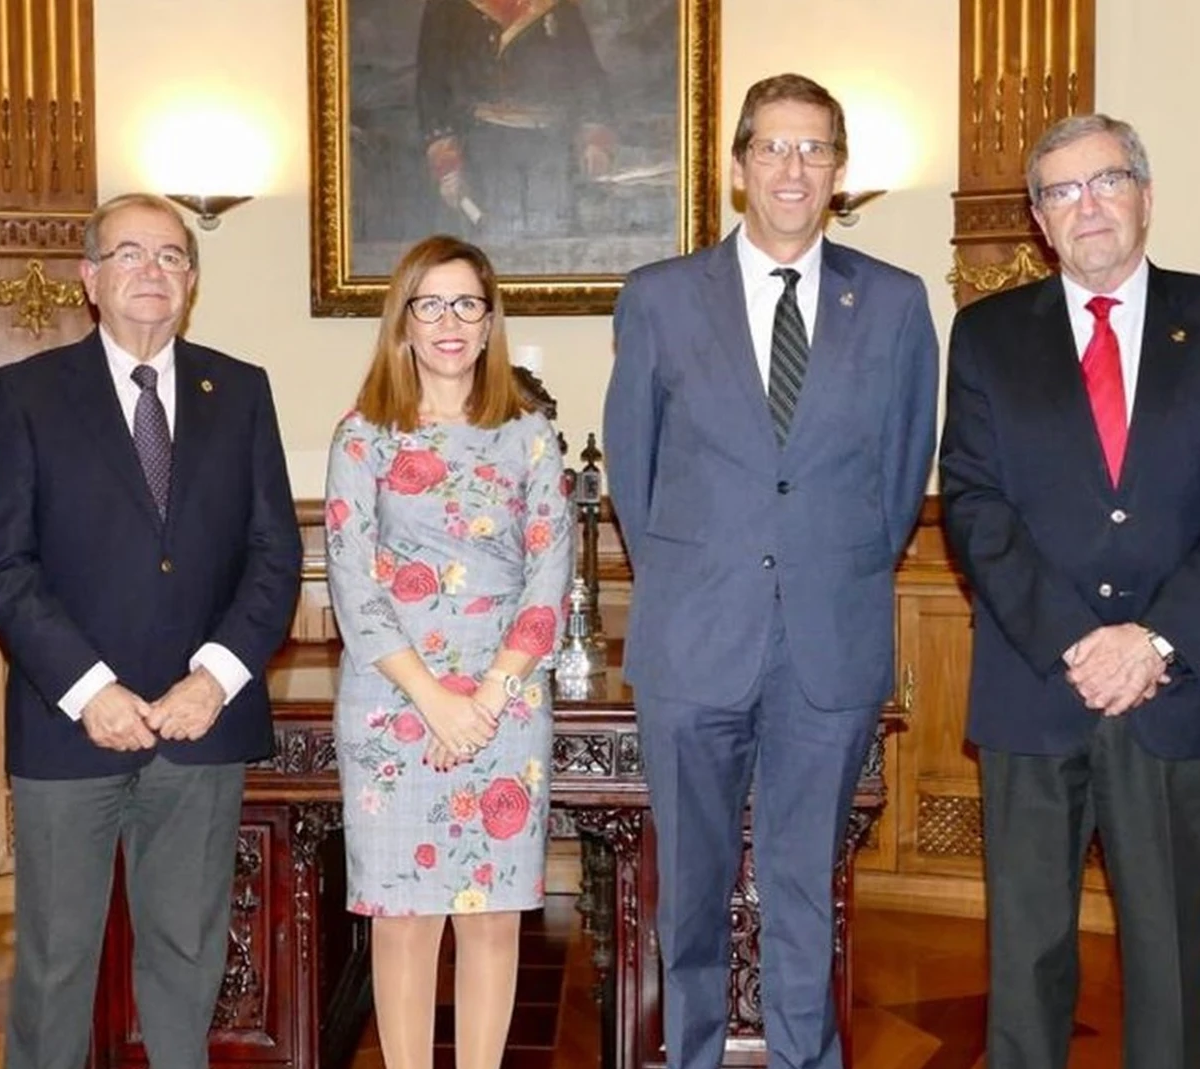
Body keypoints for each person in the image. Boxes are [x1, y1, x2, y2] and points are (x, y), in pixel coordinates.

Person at [938, 113, 1200, 1068]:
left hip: (1180, 692)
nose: (1086, 205)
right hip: (1035, 688)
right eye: (1061, 191)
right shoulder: (985, 335)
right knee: (1026, 953)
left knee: (1172, 956)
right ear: (1038, 219)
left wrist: (1154, 640)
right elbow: (974, 506)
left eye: (1105, 181)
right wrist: (1076, 642)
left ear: (1144, 192)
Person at [602, 73, 939, 1069]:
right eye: (774, 149)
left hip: (827, 646)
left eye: (815, 149)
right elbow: (634, 473)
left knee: (805, 892)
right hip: (693, 640)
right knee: (692, 893)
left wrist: (822, 575)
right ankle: (692, 1055)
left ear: (838, 171)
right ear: (738, 165)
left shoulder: (891, 301)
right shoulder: (660, 299)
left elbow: (898, 475)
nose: (793, 169)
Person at [0, 192, 302, 1069]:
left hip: (202, 729)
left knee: (188, 954)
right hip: (68, 726)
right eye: (129, 254)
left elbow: (275, 553)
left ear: (191, 282)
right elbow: (6, 566)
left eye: (169, 257)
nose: (151, 272)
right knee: (54, 963)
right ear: (90, 278)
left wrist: (215, 679)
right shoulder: (28, 393)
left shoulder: (239, 390)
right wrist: (92, 690)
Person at [323, 234, 573, 1069]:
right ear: (403, 323)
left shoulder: (530, 436)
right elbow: (353, 585)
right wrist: (435, 700)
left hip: (505, 702)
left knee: (494, 916)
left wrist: (487, 697)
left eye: (468, 303)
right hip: (395, 703)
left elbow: (549, 580)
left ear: (491, 319)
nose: (450, 321)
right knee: (402, 921)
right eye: (430, 304)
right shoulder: (362, 437)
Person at [416, 0, 614, 238]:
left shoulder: (558, 5)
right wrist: (447, 164)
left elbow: (587, 74)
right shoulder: (449, 7)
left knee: (557, 241)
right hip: (484, 149)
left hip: (552, 147)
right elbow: (433, 83)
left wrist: (594, 140)